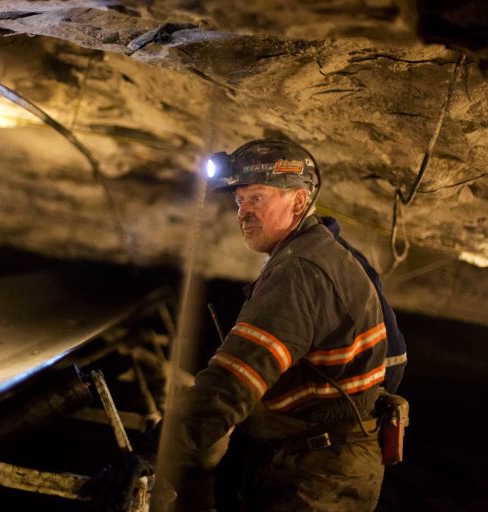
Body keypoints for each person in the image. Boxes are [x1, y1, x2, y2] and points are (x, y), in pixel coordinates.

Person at [162, 138, 389, 511]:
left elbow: (233, 381)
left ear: (299, 201)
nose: (243, 213)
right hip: (320, 456)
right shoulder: (315, 254)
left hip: (316, 476)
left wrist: (157, 451)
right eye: (240, 201)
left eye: (257, 199)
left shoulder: (299, 271)